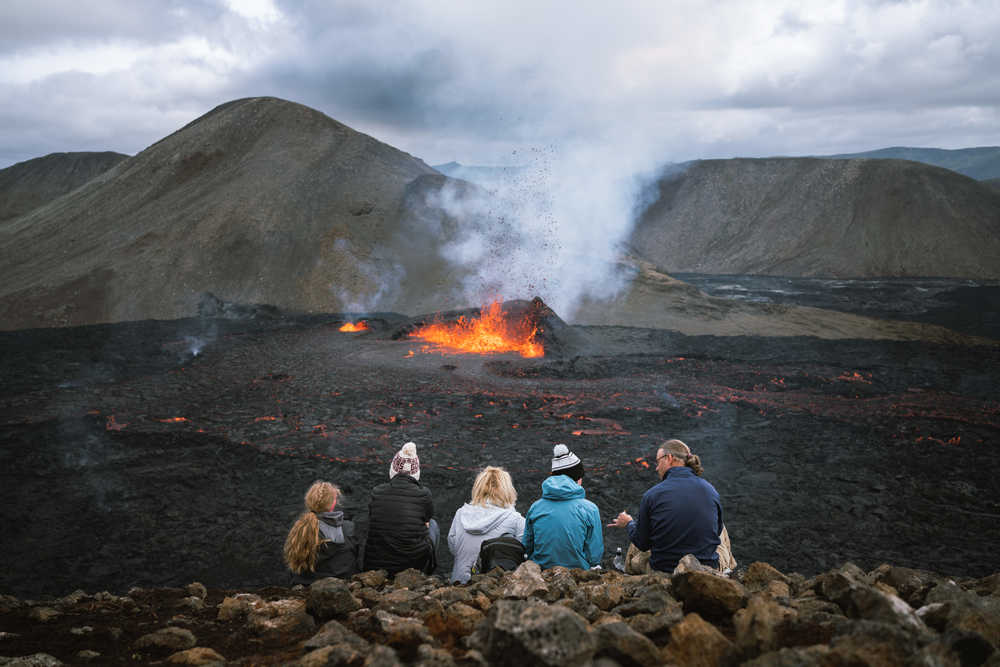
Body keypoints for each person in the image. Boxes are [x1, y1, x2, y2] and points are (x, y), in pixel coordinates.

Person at [608, 438, 726, 571]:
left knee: (640, 529)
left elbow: (642, 543)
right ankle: (728, 570)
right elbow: (717, 531)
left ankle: (627, 570)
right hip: (705, 570)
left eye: (658, 461)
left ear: (669, 458)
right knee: (722, 530)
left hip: (665, 570)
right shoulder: (710, 490)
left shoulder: (653, 495)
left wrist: (628, 523)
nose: (657, 467)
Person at [523, 444, 603, 570]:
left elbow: (527, 547)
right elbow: (594, 557)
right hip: (578, 575)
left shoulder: (535, 508)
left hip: (541, 574)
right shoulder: (590, 509)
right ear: (577, 478)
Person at [363, 441, 439, 575]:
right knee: (432, 525)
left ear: (393, 470)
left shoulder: (377, 492)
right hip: (413, 565)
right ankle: (426, 573)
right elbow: (426, 521)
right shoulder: (424, 494)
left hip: (376, 563)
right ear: (416, 473)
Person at [447, 466, 526, 583]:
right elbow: (525, 555)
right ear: (508, 490)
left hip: (459, 586)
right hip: (495, 591)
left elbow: (454, 548)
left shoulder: (460, 514)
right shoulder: (516, 520)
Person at [283, 480, 359, 584]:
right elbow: (354, 559)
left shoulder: (299, 527)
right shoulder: (348, 528)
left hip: (304, 585)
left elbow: (293, 565)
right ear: (333, 503)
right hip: (341, 585)